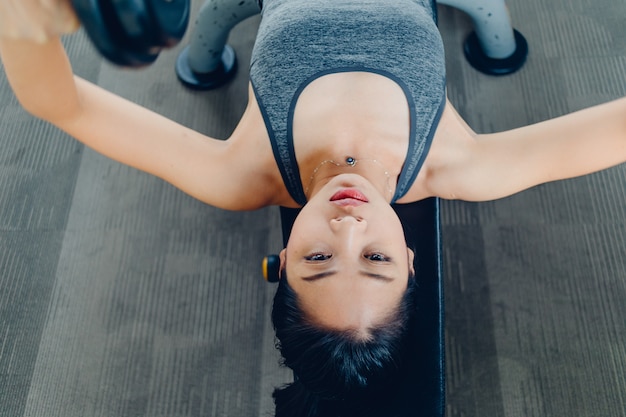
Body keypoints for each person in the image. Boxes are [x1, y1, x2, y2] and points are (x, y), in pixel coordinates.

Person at [1, 0, 625, 416]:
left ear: (282, 261)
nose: (348, 226)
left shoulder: (241, 174)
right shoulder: (460, 164)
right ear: (412, 260)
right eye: (374, 257)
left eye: (320, 258)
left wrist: (21, 19)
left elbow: (60, 105)